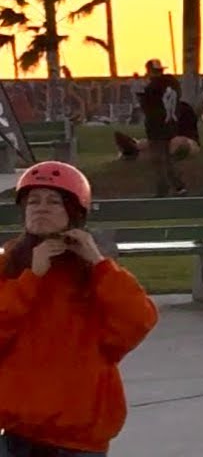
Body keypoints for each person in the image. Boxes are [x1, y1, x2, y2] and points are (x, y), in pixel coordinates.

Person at [0, 161, 159, 455]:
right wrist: (30, 279)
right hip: (18, 432)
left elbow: (136, 322)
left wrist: (99, 265)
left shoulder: (94, 272)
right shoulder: (9, 265)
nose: (40, 208)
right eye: (33, 201)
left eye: (53, 201)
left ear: (74, 211)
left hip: (78, 434)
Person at [139, 59, 186, 197]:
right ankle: (178, 187)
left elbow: (148, 109)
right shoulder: (173, 83)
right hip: (172, 125)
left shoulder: (151, 88)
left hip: (156, 128)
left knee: (158, 160)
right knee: (168, 158)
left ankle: (164, 188)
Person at [114, 99, 201, 163]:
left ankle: (133, 151)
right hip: (164, 145)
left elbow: (188, 134)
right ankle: (133, 149)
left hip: (186, 142)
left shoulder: (183, 108)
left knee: (177, 142)